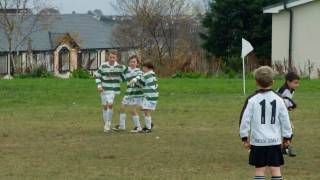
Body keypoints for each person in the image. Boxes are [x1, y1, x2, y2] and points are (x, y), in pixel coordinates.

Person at [239, 66, 293, 180]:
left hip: (258, 142)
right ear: (273, 82)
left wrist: (244, 137)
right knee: (275, 169)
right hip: (274, 141)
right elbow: (285, 120)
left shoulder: (252, 99)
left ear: (256, 82)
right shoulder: (279, 99)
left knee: (259, 170)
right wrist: (287, 137)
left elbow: (245, 119)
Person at [95, 49, 126, 132]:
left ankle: (108, 123)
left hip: (113, 89)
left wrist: (132, 79)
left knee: (110, 105)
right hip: (104, 89)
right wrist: (98, 85)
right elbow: (98, 76)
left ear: (116, 58)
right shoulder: (103, 66)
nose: (112, 59)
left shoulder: (120, 67)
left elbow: (125, 77)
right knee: (105, 107)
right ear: (107, 57)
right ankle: (106, 123)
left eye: (114, 57)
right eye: (110, 57)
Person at [112, 55, 144, 133]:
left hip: (136, 93)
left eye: (134, 62)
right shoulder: (126, 70)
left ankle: (138, 127)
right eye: (131, 62)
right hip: (128, 92)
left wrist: (135, 79)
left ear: (137, 63)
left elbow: (140, 77)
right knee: (122, 107)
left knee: (133, 110)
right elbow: (121, 77)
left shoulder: (139, 71)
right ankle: (122, 126)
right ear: (128, 62)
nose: (132, 63)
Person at [129, 61, 158, 133]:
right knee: (143, 109)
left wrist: (132, 82)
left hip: (150, 95)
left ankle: (148, 128)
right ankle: (149, 124)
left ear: (149, 68)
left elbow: (139, 84)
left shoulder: (146, 75)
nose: (143, 69)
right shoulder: (153, 74)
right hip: (153, 95)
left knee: (146, 111)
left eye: (144, 67)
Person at [277, 72, 300, 157]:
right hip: (277, 113)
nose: (297, 85)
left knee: (289, 131)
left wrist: (290, 107)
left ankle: (284, 148)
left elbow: (286, 102)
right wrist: (290, 106)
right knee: (288, 131)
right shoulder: (284, 90)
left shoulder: (291, 90)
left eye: (298, 82)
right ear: (288, 82)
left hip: (282, 112)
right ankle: (284, 148)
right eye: (295, 82)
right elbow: (278, 102)